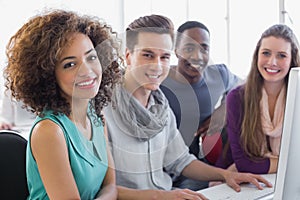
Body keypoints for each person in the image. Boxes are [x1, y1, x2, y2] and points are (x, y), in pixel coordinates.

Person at [103, 14, 271, 200]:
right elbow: (102, 188)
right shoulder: (103, 111)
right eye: (148, 55)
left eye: (164, 57)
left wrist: (226, 175)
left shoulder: (161, 106)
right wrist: (161, 196)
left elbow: (181, 160)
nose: (157, 66)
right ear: (128, 56)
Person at [4, 9, 122, 199]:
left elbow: (110, 187)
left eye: (91, 57)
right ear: (49, 75)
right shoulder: (49, 131)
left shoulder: (97, 117)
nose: (87, 71)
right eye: (70, 64)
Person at [160, 21, 241, 190]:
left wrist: (223, 109)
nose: (197, 56)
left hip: (194, 168)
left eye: (204, 48)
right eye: (189, 48)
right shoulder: (160, 79)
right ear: (176, 51)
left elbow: (245, 87)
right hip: (160, 170)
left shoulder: (219, 75)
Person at [215, 24, 300, 175]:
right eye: (266, 53)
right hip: (235, 177)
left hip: (285, 178)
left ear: (292, 60)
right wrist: (290, 163)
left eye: (282, 55)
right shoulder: (237, 98)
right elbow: (245, 164)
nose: (272, 62)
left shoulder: (297, 97)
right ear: (257, 56)